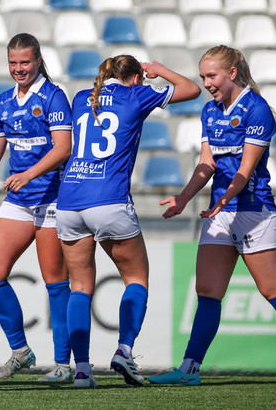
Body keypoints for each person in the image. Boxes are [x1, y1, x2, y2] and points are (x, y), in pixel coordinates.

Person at [149, 45, 276, 387]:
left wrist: (224, 199)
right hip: (220, 211)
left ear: (232, 73)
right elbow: (207, 164)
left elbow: (245, 170)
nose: (206, 83)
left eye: (212, 76)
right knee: (207, 291)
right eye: (202, 77)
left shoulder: (257, 109)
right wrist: (184, 198)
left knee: (273, 290)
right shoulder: (209, 110)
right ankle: (189, 369)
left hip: (252, 211)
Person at [57, 55, 201, 388]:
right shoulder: (137, 94)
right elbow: (192, 89)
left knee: (79, 287)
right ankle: (124, 350)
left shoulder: (82, 97)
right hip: (109, 200)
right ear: (136, 77)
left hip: (69, 201)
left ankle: (82, 370)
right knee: (136, 279)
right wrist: (159, 70)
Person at [0, 33, 73, 381]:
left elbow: (63, 148)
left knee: (55, 282)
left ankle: (63, 364)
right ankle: (21, 351)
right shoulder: (5, 100)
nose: (19, 68)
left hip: (53, 198)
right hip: (19, 200)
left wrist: (28, 174)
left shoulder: (53, 96)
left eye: (25, 62)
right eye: (13, 63)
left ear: (38, 61)